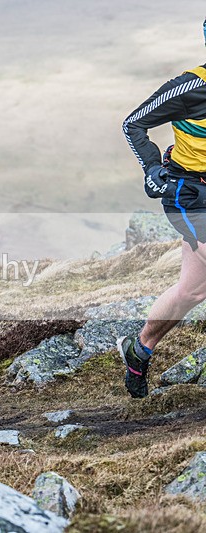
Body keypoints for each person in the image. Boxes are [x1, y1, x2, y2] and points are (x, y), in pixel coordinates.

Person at [120, 20, 206, 398]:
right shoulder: (191, 88)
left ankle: (138, 351)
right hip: (190, 195)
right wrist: (154, 169)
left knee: (192, 291)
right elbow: (133, 124)